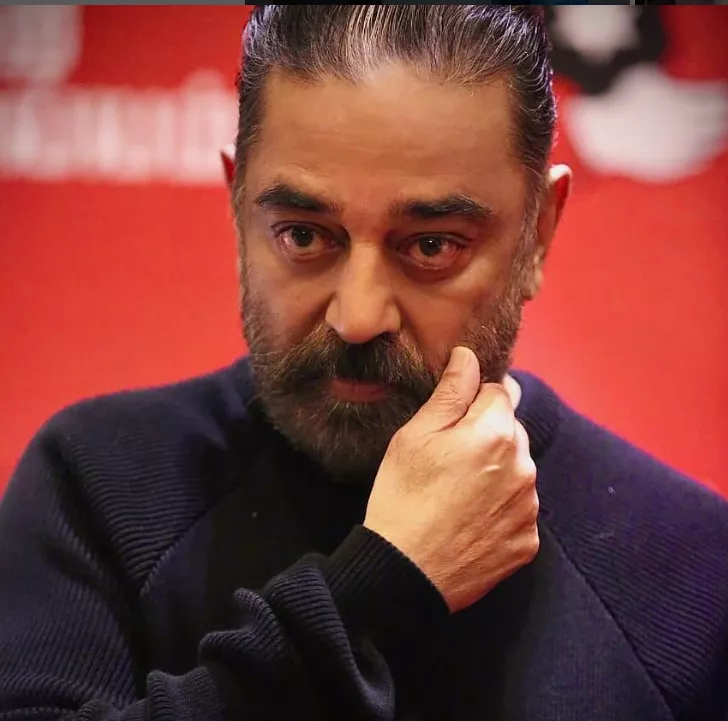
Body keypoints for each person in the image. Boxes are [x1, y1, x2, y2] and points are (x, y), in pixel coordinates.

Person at [0, 5, 726, 720]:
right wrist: (384, 584)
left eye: (431, 246)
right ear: (237, 208)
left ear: (539, 232)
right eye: (304, 236)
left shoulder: (690, 574)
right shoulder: (97, 488)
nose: (357, 316)